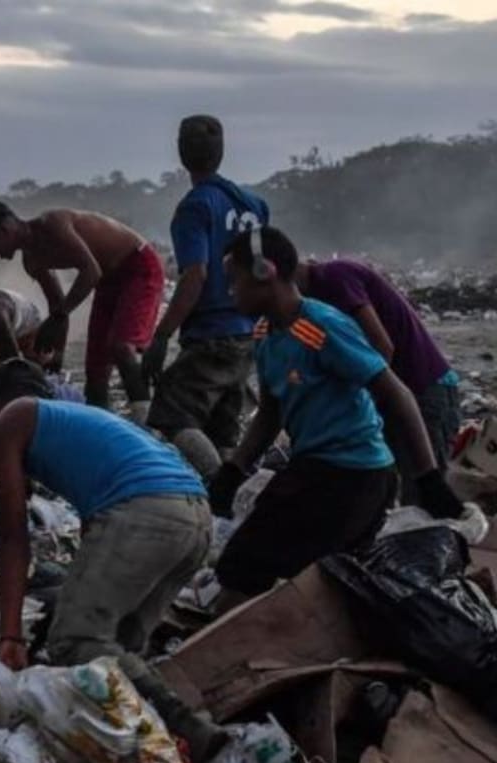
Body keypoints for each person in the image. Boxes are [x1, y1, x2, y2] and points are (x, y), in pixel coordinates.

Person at [0, 359, 225, 763]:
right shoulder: (77, 418)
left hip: (148, 511)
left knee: (76, 640)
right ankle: (149, 753)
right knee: (118, 650)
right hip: (197, 518)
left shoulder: (11, 420)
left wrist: (11, 635)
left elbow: (12, 535)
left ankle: (195, 731)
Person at [208, 227, 465, 599]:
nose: (230, 292)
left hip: (354, 475)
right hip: (315, 468)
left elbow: (398, 394)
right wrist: (233, 470)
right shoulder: (266, 334)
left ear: (265, 271)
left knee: (244, 568)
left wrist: (428, 478)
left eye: (234, 281)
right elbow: (270, 411)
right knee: (290, 574)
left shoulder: (321, 327)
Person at [0, 197, 164, 420]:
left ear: (4, 229)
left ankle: (147, 421)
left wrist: (59, 316)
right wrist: (57, 354)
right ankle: (101, 427)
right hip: (108, 281)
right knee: (96, 371)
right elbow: (57, 303)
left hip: (137, 265)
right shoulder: (32, 261)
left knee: (121, 347)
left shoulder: (52, 224)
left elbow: (91, 271)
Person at [143, 115, 269, 456]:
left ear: (181, 153)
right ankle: (228, 500)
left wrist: (161, 336)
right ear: (222, 151)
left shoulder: (195, 206)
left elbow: (194, 275)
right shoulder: (255, 206)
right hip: (249, 332)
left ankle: (219, 486)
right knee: (223, 431)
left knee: (171, 415)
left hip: (212, 333)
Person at [293, 257, 461, 504]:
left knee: (422, 499)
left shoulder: (335, 278)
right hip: (396, 397)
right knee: (388, 489)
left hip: (424, 390)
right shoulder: (314, 300)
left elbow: (382, 348)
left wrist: (354, 401)